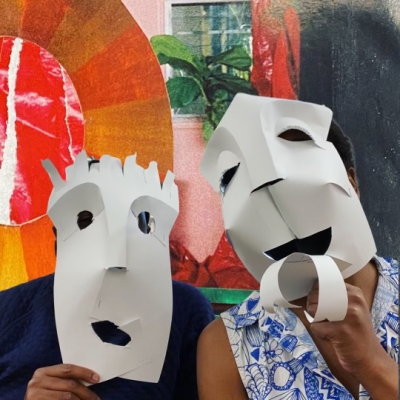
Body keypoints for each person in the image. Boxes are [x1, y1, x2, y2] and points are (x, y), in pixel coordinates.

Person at [197, 117, 399, 399]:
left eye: (301, 183)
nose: (285, 211)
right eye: (259, 194)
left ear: (350, 185)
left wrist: (373, 365)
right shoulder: (228, 344)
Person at [0, 159, 214, 400]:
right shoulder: (8, 312)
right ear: (57, 238)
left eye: (132, 224)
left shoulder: (183, 308)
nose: (112, 251)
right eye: (86, 222)